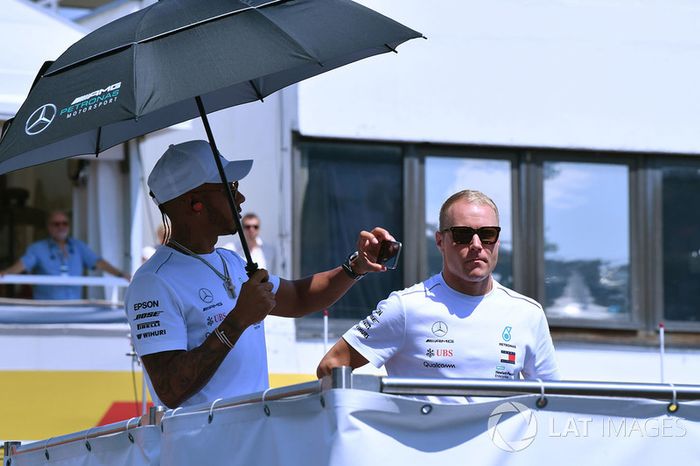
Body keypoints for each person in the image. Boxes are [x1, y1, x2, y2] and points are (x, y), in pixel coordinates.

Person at [125, 140, 393, 409]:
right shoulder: (153, 282)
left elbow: (300, 297)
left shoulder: (230, 261)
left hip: (254, 438)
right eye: (230, 188)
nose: (240, 198)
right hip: (203, 448)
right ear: (195, 202)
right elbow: (169, 389)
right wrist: (237, 320)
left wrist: (356, 265)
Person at [317, 190, 560, 400]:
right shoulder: (405, 307)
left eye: (487, 234)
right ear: (440, 241)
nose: (476, 244)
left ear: (497, 241)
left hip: (500, 453)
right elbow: (330, 367)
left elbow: (550, 399)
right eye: (463, 235)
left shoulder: (528, 313)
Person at [0, 210, 130, 300]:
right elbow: (24, 263)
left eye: (64, 223)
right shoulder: (38, 248)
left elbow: (98, 262)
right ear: (48, 227)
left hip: (74, 309)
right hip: (45, 310)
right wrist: (5, 273)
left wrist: (120, 274)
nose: (61, 227)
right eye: (56, 224)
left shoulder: (78, 246)